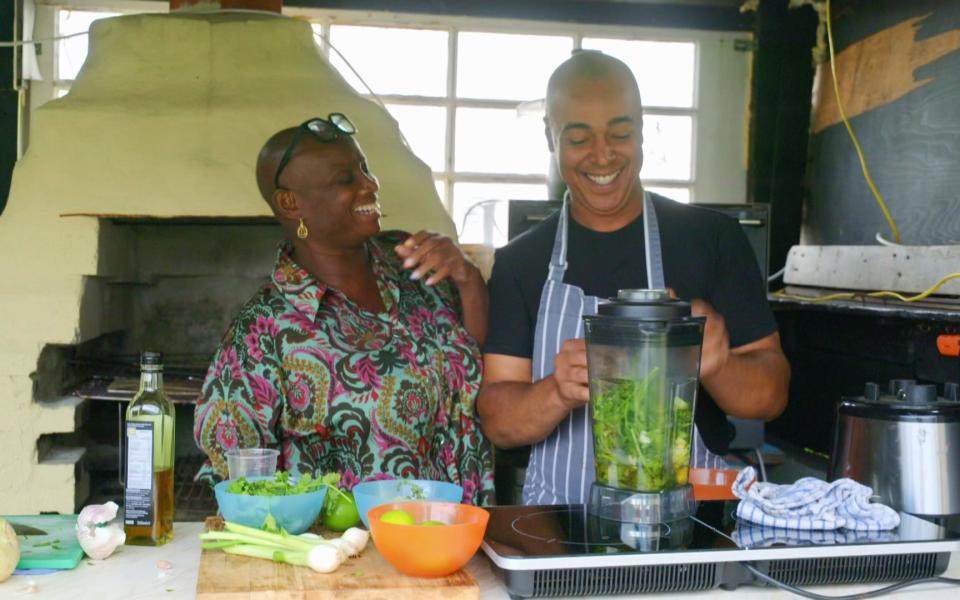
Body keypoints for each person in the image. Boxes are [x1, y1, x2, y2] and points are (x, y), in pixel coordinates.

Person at [478, 52, 790, 505]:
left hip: (693, 524)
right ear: (551, 137)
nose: (602, 155)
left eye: (620, 134)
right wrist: (555, 392)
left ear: (642, 130)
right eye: (579, 138)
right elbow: (498, 422)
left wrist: (720, 366)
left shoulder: (712, 239)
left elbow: (771, 396)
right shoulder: (520, 262)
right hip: (561, 528)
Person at [194, 115, 494, 505]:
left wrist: (467, 277)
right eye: (345, 179)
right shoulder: (263, 329)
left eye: (364, 169)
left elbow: (476, 365)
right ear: (291, 203)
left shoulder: (411, 261)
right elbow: (233, 473)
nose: (371, 184)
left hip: (448, 537)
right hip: (346, 554)